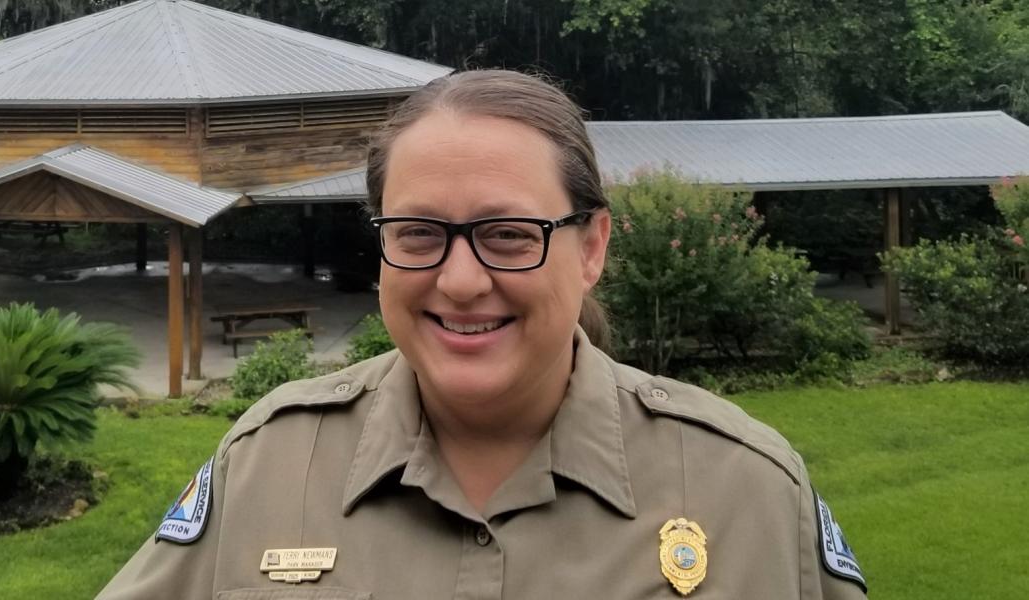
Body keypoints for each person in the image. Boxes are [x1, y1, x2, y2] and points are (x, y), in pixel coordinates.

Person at [97, 70, 868, 599]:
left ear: (592, 246)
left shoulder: (750, 494)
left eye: (507, 234)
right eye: (419, 232)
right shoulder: (266, 467)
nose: (460, 280)